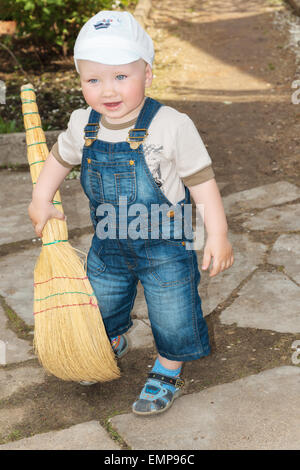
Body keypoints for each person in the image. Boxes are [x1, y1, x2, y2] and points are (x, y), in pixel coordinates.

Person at [28, 10, 234, 416]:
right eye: (94, 79)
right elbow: (57, 159)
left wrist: (218, 233)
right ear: (81, 81)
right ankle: (112, 339)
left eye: (122, 76)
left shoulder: (172, 125)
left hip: (165, 249)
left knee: (172, 313)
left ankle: (168, 366)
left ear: (148, 73)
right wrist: (40, 198)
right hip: (109, 245)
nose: (108, 90)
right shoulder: (82, 124)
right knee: (100, 305)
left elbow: (202, 183)